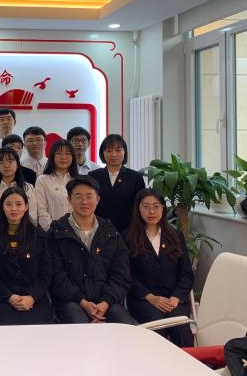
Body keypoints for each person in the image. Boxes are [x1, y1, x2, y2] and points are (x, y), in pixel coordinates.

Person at [48, 176, 135, 325]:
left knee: (127, 328)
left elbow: (121, 275)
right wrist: (83, 302)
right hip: (71, 301)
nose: (84, 202)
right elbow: (57, 277)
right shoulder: (56, 233)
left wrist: (105, 303)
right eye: (78, 197)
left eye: (89, 196)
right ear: (69, 200)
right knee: (81, 329)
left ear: (98, 199)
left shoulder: (111, 233)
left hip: (107, 301)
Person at [125, 188, 194, 347]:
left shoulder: (176, 236)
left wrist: (175, 298)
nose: (151, 211)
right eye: (146, 206)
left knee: (181, 327)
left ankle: (186, 362)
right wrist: (150, 297)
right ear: (138, 208)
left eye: (156, 206)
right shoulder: (127, 237)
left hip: (173, 299)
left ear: (163, 208)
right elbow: (127, 275)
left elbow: (186, 274)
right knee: (157, 327)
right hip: (143, 300)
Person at [0, 186, 54, 326]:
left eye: (18, 204)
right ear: (2, 207)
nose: (14, 209)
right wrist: (9, 297)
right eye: (8, 204)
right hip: (4, 299)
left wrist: (32, 297)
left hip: (35, 299)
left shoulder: (39, 236)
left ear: (26, 207)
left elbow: (46, 273)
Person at [89, 134, 146, 232]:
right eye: (109, 150)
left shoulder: (135, 177)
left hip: (128, 231)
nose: (113, 154)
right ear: (103, 153)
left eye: (118, 150)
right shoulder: (93, 176)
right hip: (99, 230)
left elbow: (140, 206)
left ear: (124, 152)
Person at [0, 147, 39, 230]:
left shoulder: (28, 188)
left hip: (25, 233)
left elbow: (32, 216)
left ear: (17, 164)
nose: (6, 166)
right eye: (1, 162)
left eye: (10, 161)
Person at [35, 139, 78, 225]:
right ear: (52, 156)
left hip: (77, 229)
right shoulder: (42, 180)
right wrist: (53, 229)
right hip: (52, 229)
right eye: (59, 153)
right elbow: (41, 211)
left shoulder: (78, 180)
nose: (63, 157)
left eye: (68, 154)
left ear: (73, 157)